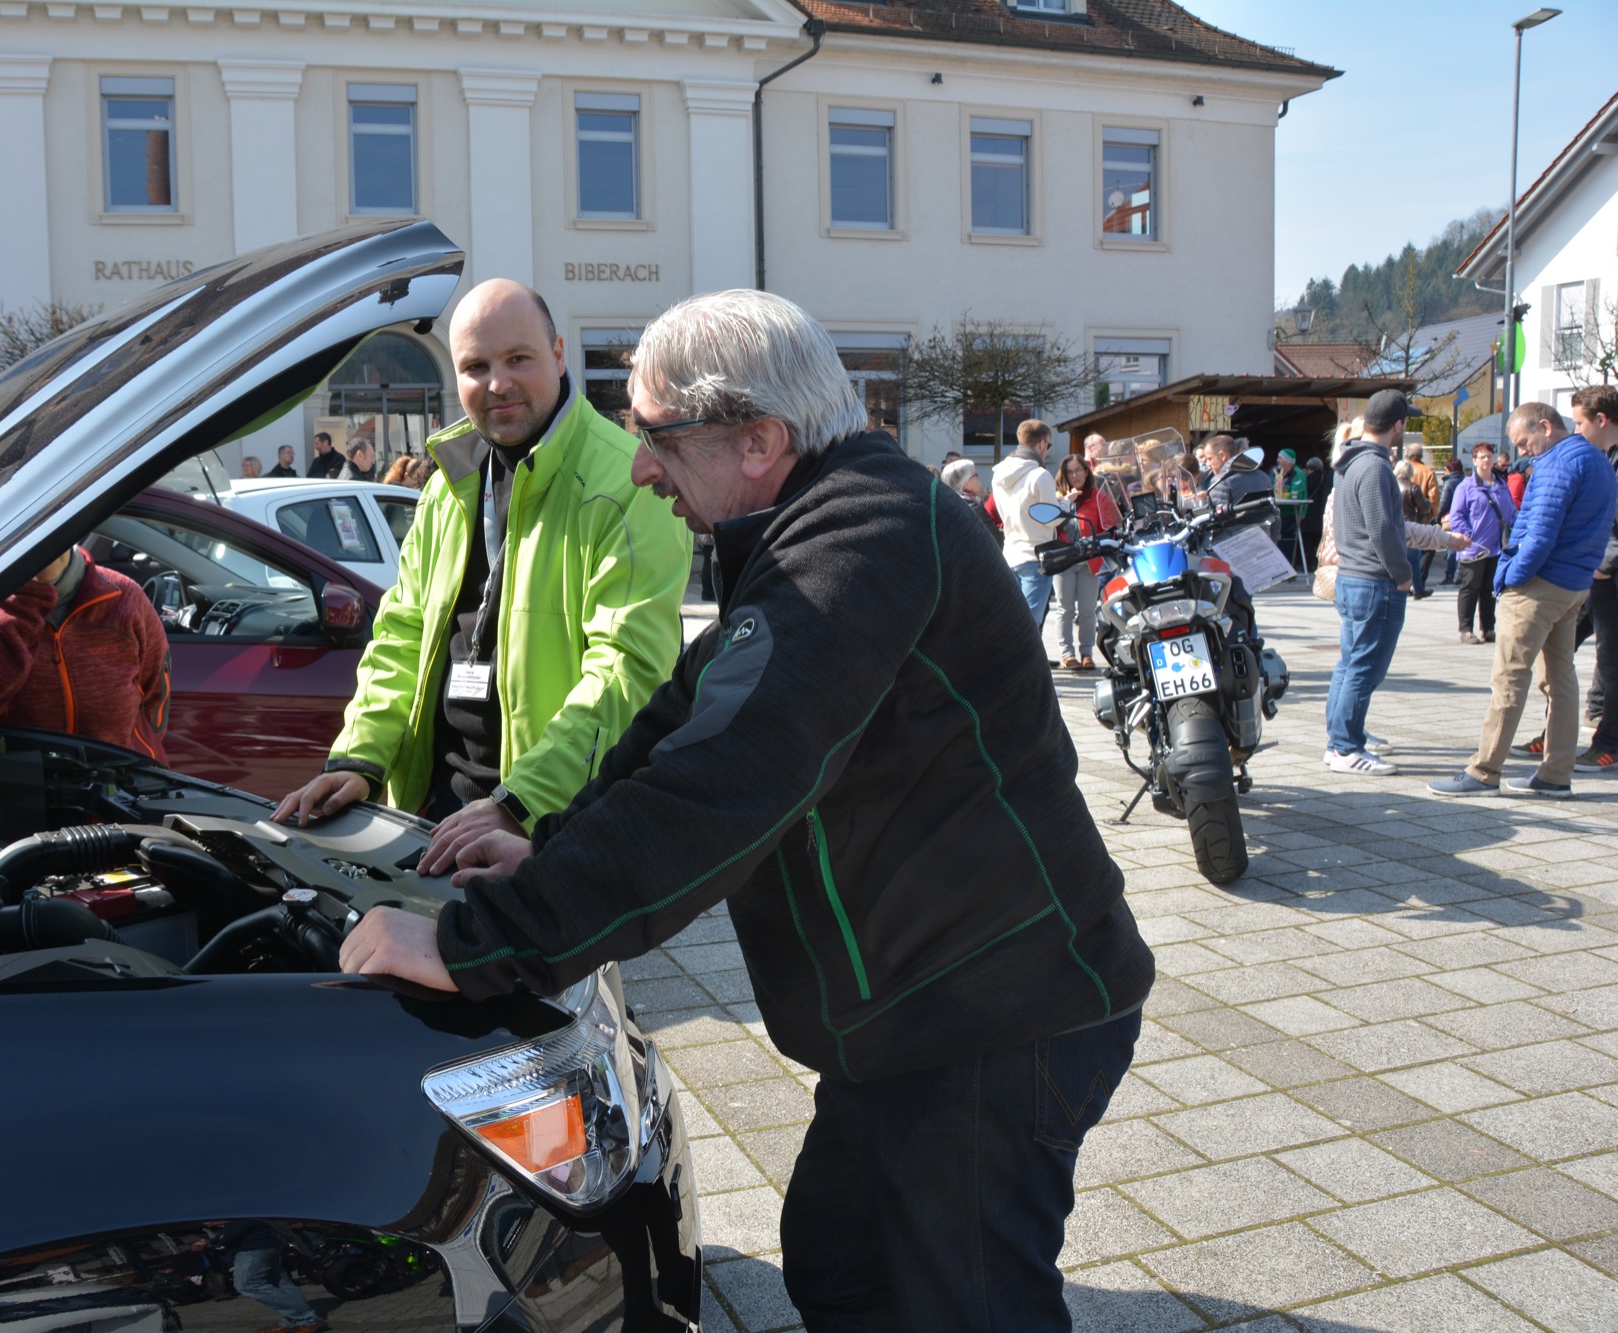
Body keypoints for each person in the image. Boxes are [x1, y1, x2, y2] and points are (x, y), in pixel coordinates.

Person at [338, 288, 1152, 1333]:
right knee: (840, 1269)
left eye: (655, 437)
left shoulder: (862, 541)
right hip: (916, 1016)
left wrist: (480, 942)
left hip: (997, 1018)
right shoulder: (812, 530)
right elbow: (682, 715)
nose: (638, 467)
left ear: (758, 440)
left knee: (964, 1305)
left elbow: (721, 782)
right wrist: (540, 833)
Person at [272, 278, 691, 864]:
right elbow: (402, 634)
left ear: (559, 353)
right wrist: (359, 758)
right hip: (433, 814)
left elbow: (626, 673)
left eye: (518, 358)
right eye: (475, 367)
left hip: (544, 826)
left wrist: (520, 803)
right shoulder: (449, 483)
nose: (498, 384)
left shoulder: (626, 483)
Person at [1427, 400, 1618, 799]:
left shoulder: (1558, 463)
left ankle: (1483, 772)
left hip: (1538, 586)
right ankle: (1555, 774)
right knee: (1560, 679)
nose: (1521, 451)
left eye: (1523, 441)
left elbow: (1539, 533)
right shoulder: (1598, 460)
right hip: (1574, 585)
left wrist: (1509, 578)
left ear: (1545, 427)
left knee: (1510, 677)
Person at [0, 544, 171, 762]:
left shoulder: (124, 596)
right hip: (18, 801)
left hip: (114, 797)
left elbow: (154, 700)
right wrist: (20, 606)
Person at [1325, 390, 1418, 777]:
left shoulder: (1350, 460)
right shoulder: (1376, 467)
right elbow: (1382, 528)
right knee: (1364, 668)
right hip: (1374, 581)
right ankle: (1345, 746)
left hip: (1353, 577)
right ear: (1397, 426)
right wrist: (1403, 573)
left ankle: (1339, 740)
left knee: (1350, 665)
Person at [1570, 386, 1618, 772]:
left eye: (1579, 423)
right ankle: (1559, 732)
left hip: (1607, 574)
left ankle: (1609, 745)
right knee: (1560, 642)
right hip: (1594, 574)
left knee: (1613, 660)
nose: (1576, 431)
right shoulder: (1604, 456)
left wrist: (1606, 562)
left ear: (1601, 420)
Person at [1444, 441, 1516, 645]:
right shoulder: (1465, 487)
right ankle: (1466, 629)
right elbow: (1456, 516)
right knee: (1470, 588)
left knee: (1490, 589)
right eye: (1482, 457)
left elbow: (1511, 513)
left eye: (1489, 456)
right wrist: (1468, 536)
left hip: (1495, 549)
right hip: (1473, 549)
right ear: (1474, 460)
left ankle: (1488, 628)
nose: (1486, 460)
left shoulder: (1501, 485)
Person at [992, 417, 1062, 624]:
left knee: (1012, 623)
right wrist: (1065, 505)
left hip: (1010, 554)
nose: (1047, 450)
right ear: (1041, 443)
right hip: (1036, 556)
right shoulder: (1040, 475)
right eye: (1048, 445)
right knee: (1029, 627)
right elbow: (1053, 520)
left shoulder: (999, 474)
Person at [197, 1222, 322, 1333]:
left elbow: (227, 1238)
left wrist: (214, 1239)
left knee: (247, 1285)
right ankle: (294, 1322)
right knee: (280, 1284)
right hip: (267, 1246)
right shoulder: (241, 1214)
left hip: (253, 1250)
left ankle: (305, 1318)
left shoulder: (239, 1216)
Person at [1053, 453, 1118, 669]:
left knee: (1088, 610)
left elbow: (1109, 527)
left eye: (1078, 470)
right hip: (1065, 559)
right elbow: (1050, 525)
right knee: (1065, 609)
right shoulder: (1057, 496)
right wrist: (1064, 502)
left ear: (1086, 471)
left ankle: (1087, 653)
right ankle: (1067, 654)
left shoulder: (1098, 496)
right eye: (1070, 472)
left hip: (1090, 560)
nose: (1074, 475)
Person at [1396, 460, 1436, 600]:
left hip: (1394, 525)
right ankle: (1418, 589)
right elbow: (1423, 508)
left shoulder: (1391, 485)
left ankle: (1404, 587)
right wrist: (1428, 504)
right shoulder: (1413, 487)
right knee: (1413, 560)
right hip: (1410, 524)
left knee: (1399, 558)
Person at [1438, 456, 1467, 585]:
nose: (1444, 472)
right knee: (1461, 547)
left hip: (1450, 519)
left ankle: (1450, 576)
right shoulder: (1465, 481)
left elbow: (1443, 503)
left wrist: (1437, 518)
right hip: (1464, 517)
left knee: (1451, 548)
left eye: (1445, 469)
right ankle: (1460, 575)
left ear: (1450, 469)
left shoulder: (1449, 483)